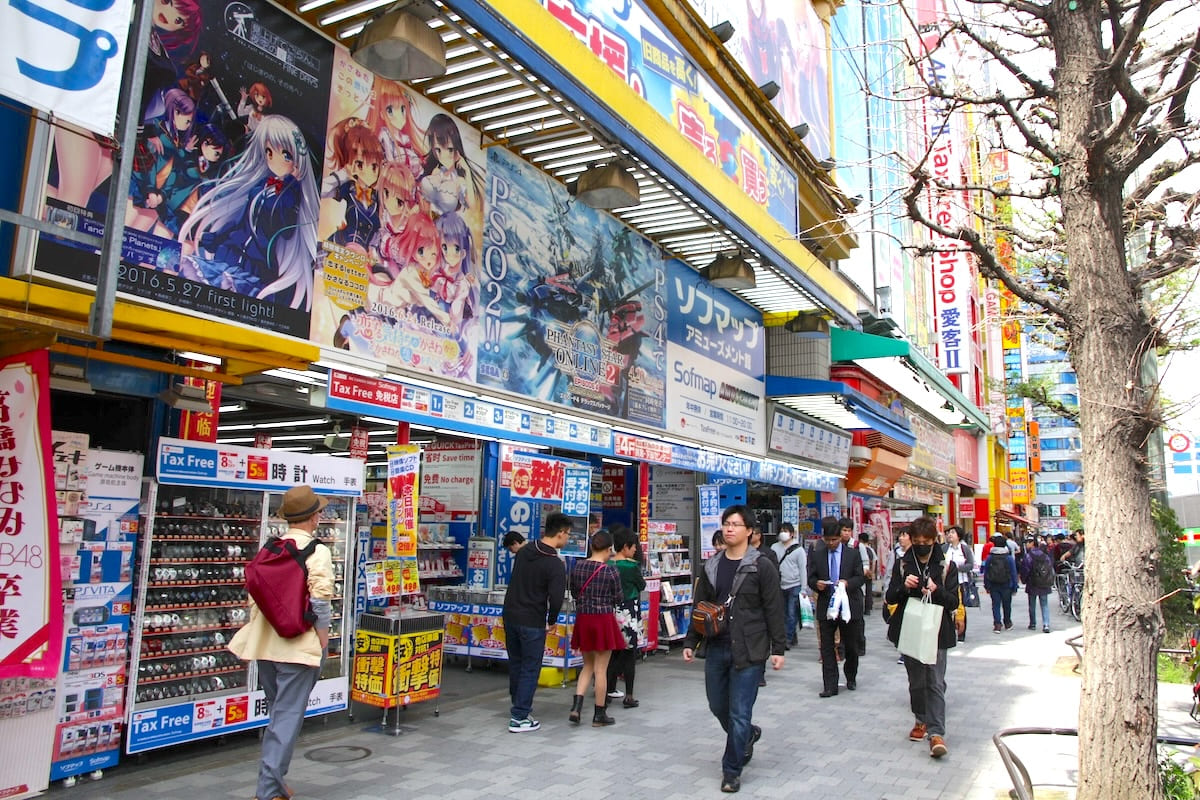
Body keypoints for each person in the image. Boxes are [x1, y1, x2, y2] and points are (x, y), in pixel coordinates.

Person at [228, 485, 333, 800]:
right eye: (319, 512)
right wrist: (323, 638)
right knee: (286, 718)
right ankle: (268, 790)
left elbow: (254, 597)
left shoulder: (270, 547)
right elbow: (321, 599)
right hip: (298, 647)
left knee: (278, 714)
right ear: (314, 517)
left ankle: (274, 782)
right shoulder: (318, 551)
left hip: (265, 645)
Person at [682, 505, 786, 794]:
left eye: (736, 524)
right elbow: (700, 608)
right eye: (727, 523)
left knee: (740, 711)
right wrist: (691, 642)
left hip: (750, 650)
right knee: (717, 705)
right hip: (716, 646)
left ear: (750, 530)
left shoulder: (761, 565)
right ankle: (748, 736)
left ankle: (731, 770)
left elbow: (773, 607)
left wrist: (779, 648)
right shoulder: (713, 564)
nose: (729, 528)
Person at [884, 515, 959, 759]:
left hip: (938, 629)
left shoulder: (947, 565)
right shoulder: (903, 564)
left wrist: (937, 591)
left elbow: (954, 601)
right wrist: (905, 586)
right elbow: (891, 597)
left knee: (935, 680)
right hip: (911, 627)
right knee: (916, 680)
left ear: (934, 540)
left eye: (927, 540)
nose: (922, 544)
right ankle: (920, 719)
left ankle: (936, 733)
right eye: (917, 540)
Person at [501, 513, 569, 732]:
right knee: (531, 667)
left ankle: (518, 706)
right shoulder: (555, 563)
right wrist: (552, 620)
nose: (567, 539)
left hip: (511, 614)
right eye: (567, 534)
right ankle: (520, 716)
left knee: (517, 663)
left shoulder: (524, 551)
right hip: (532, 619)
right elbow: (556, 597)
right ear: (561, 533)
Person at [567, 529, 624, 727]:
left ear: (591, 546)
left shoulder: (578, 566)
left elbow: (574, 592)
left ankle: (576, 707)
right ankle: (599, 714)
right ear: (609, 549)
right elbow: (619, 597)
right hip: (603, 619)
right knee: (601, 669)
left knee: (587, 665)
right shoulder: (611, 570)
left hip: (584, 618)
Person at [807, 516, 865, 697]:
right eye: (828, 540)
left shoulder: (852, 554)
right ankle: (830, 685)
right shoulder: (817, 554)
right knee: (826, 646)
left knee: (851, 646)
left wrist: (847, 583)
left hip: (848, 606)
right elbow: (811, 577)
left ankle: (851, 676)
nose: (831, 544)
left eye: (835, 540)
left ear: (841, 538)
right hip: (826, 605)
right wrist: (817, 584)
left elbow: (860, 577)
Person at [606, 526, 646, 708]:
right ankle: (629, 696)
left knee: (612, 653)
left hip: (610, 611)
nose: (636, 549)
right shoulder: (631, 567)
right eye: (633, 546)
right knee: (629, 654)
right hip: (628, 611)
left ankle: (607, 689)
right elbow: (642, 585)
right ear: (625, 547)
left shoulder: (608, 565)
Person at [771, 523, 807, 648]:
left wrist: (804, 588)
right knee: (782, 614)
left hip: (794, 585)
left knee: (791, 613)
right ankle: (790, 635)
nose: (783, 533)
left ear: (792, 534)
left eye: (786, 531)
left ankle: (788, 638)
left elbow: (803, 569)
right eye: (781, 530)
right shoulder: (774, 547)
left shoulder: (798, 550)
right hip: (779, 585)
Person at [942, 526, 975, 641]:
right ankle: (949, 631)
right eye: (948, 533)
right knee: (948, 607)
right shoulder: (944, 548)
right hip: (947, 583)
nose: (950, 535)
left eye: (952, 533)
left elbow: (970, 565)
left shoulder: (965, 549)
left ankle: (961, 633)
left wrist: (956, 568)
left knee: (961, 609)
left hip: (961, 582)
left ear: (958, 536)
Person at [982, 534, 1019, 632]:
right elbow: (1013, 573)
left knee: (995, 605)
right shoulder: (1008, 557)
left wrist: (986, 585)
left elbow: (986, 572)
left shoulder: (990, 557)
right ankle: (1007, 622)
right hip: (1007, 585)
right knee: (1007, 605)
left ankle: (997, 624)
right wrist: (1015, 586)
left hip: (993, 584)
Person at [1020, 536, 1055, 632]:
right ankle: (1046, 624)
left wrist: (1024, 580)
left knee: (1032, 604)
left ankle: (1032, 623)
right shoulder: (1045, 555)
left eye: (1027, 542)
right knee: (1044, 604)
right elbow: (1050, 568)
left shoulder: (1028, 556)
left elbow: (1025, 570)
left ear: (1032, 543)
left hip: (1032, 583)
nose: (1026, 545)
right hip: (1044, 582)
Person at [858, 532, 878, 614]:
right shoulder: (871, 549)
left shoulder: (859, 547)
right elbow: (874, 561)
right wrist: (872, 572)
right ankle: (868, 608)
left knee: (860, 590)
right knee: (868, 590)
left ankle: (860, 607)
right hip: (868, 572)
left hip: (860, 571)